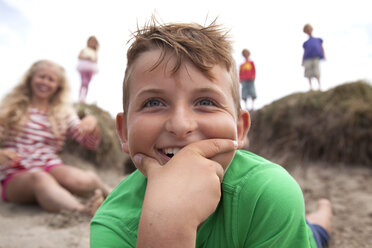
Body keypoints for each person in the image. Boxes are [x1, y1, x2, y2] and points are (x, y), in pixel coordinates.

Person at [90, 19, 332, 247]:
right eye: (154, 103)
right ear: (124, 131)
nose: (181, 125)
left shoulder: (268, 194)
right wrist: (166, 230)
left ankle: (324, 208)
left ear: (240, 129)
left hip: (293, 234)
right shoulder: (112, 225)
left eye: (206, 101)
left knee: (318, 230)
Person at [0, 60, 111, 216]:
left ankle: (107, 190)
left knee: (81, 180)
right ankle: (82, 210)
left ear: (58, 86)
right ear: (31, 78)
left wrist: (92, 125)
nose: (45, 82)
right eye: (41, 77)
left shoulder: (62, 112)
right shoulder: (12, 107)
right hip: (16, 172)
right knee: (40, 178)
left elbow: (87, 142)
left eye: (51, 79)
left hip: (50, 165)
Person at [302, 24, 325, 91]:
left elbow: (321, 47)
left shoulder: (318, 40)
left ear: (312, 30)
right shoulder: (305, 43)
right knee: (308, 73)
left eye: (309, 29)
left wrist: (323, 55)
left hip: (316, 57)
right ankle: (311, 87)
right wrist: (302, 60)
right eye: (307, 30)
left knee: (316, 71)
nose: (308, 31)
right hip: (307, 58)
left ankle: (319, 87)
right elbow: (304, 52)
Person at [77, 35, 99, 102]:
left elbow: (96, 60)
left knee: (87, 83)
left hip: (91, 68)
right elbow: (79, 57)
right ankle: (80, 97)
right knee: (83, 81)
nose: (92, 43)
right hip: (83, 67)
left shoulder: (95, 52)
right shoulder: (84, 50)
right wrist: (86, 58)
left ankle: (84, 98)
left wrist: (92, 59)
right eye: (91, 41)